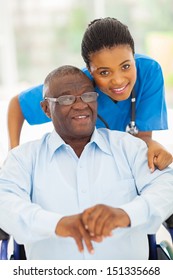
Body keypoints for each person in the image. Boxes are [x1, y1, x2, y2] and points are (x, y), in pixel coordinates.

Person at [1, 65, 173, 260]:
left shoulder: (129, 147)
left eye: (88, 96)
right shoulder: (23, 158)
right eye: (66, 99)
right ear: (46, 109)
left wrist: (125, 214)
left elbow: (166, 187)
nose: (81, 104)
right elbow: (5, 203)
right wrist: (56, 224)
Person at [7, 17, 172, 171]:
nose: (118, 80)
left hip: (124, 163)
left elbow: (142, 137)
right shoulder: (77, 85)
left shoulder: (149, 72)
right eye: (104, 73)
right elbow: (18, 104)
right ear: (90, 71)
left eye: (126, 66)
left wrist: (154, 145)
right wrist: (13, 154)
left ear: (133, 58)